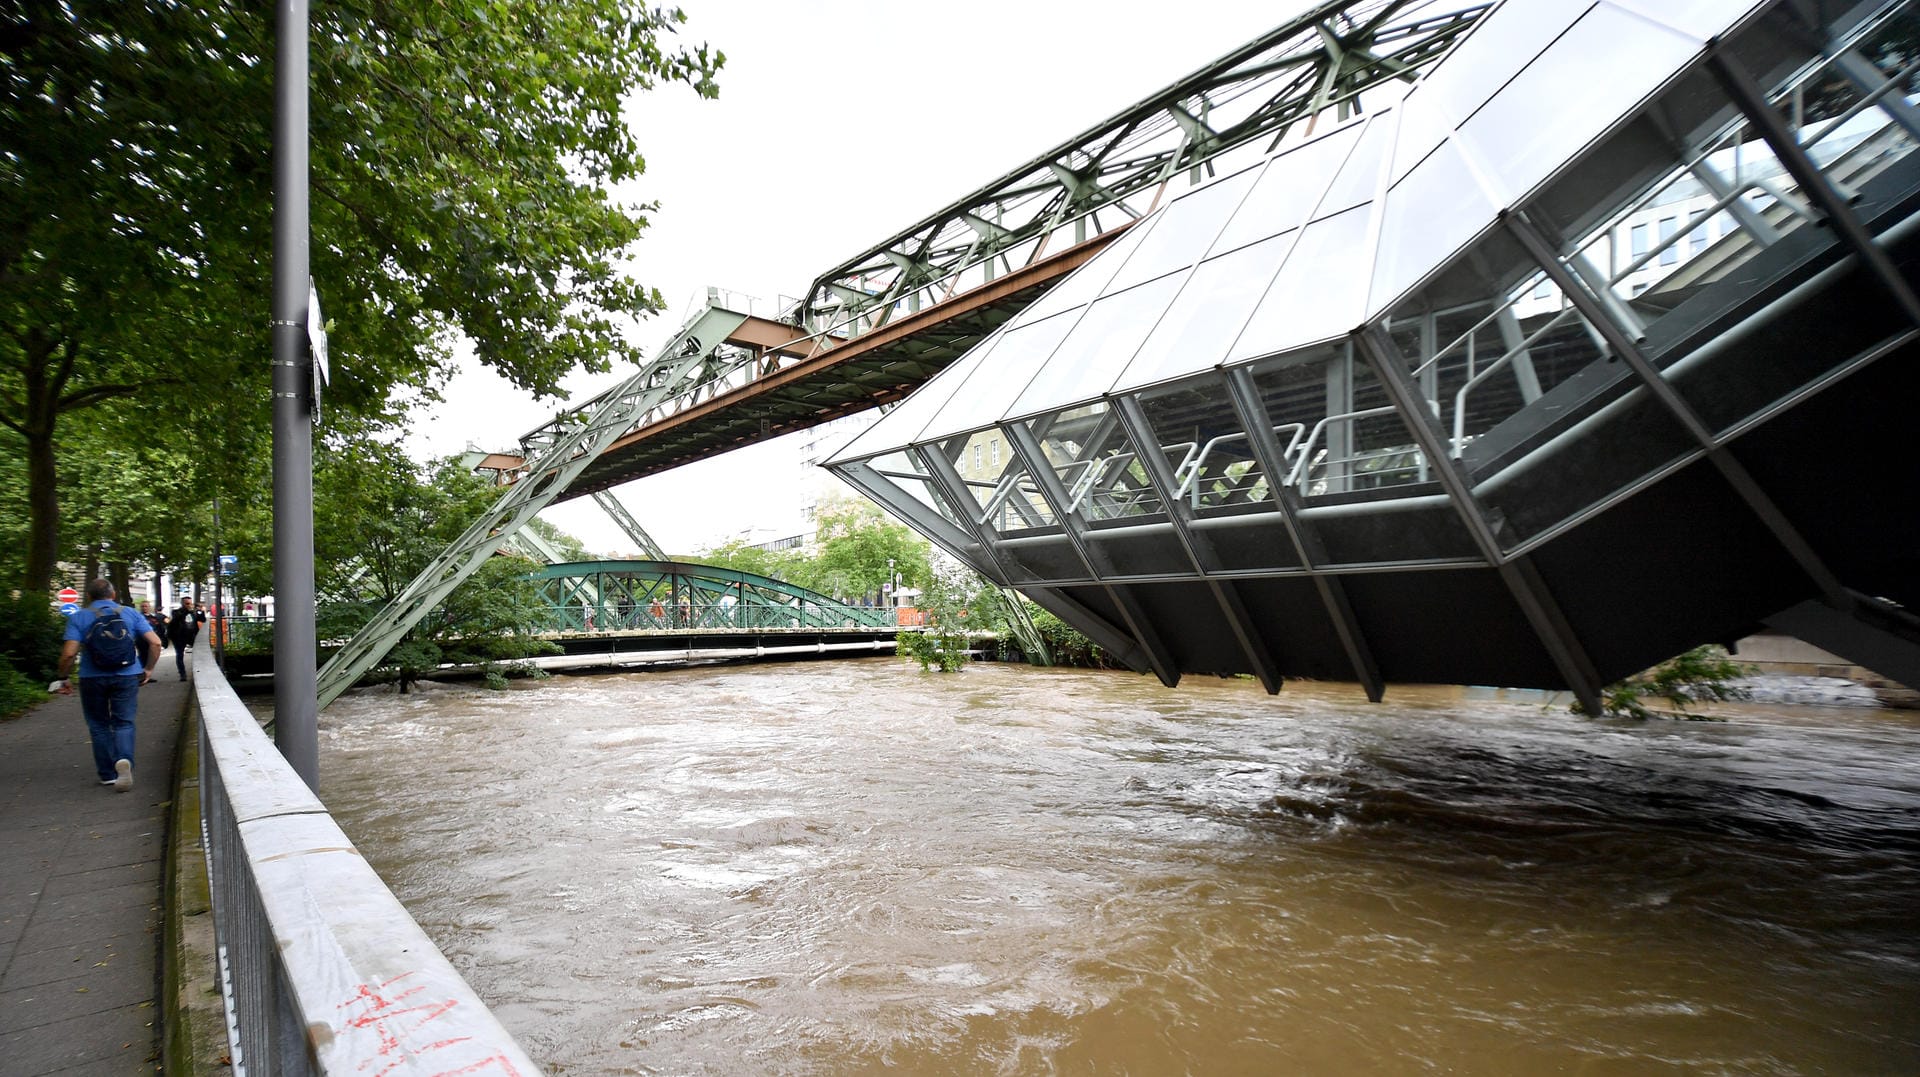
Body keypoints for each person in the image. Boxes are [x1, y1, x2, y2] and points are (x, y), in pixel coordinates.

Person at [55, 579, 162, 791]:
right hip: (127, 675)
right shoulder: (130, 613)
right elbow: (156, 642)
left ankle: (108, 774)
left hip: (92, 677)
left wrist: (64, 678)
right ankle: (124, 761)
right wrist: (148, 669)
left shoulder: (80, 617)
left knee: (98, 724)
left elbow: (68, 654)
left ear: (89, 597)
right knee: (124, 722)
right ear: (113, 595)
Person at [169, 596, 207, 680]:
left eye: (190, 603)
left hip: (191, 635)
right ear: (182, 604)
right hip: (179, 636)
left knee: (199, 653)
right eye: (187, 604)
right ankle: (182, 674)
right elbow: (176, 619)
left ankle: (200, 671)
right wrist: (187, 611)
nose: (189, 605)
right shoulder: (176, 612)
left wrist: (201, 612)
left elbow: (203, 620)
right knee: (179, 654)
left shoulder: (194, 612)